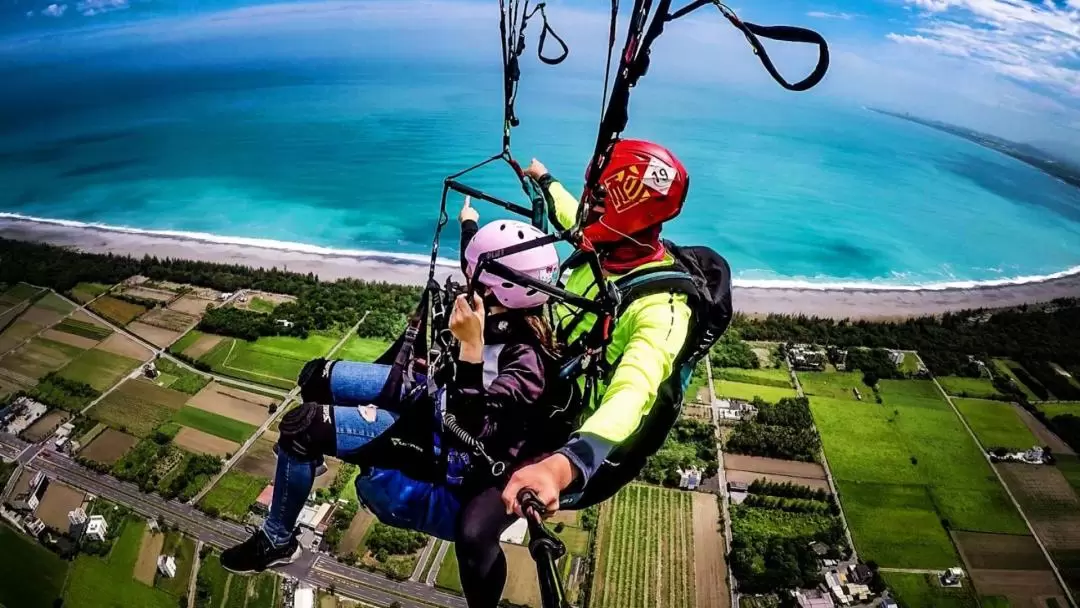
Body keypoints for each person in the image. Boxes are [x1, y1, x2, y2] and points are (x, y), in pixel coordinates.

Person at [219, 212, 563, 581]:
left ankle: (277, 541)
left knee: (301, 427)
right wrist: (468, 223)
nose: (468, 279)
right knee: (316, 375)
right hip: (431, 395)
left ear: (495, 289)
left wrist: (471, 350)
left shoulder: (526, 362)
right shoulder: (497, 299)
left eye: (476, 276)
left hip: (442, 442)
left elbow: (474, 429)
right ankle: (307, 463)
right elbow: (476, 259)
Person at [498, 139, 695, 516]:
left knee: (473, 525)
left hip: (573, 426)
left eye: (599, 196)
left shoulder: (662, 309)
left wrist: (563, 465)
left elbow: (635, 389)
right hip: (551, 373)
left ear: (629, 211)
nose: (589, 202)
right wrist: (545, 179)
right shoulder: (610, 245)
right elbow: (572, 213)